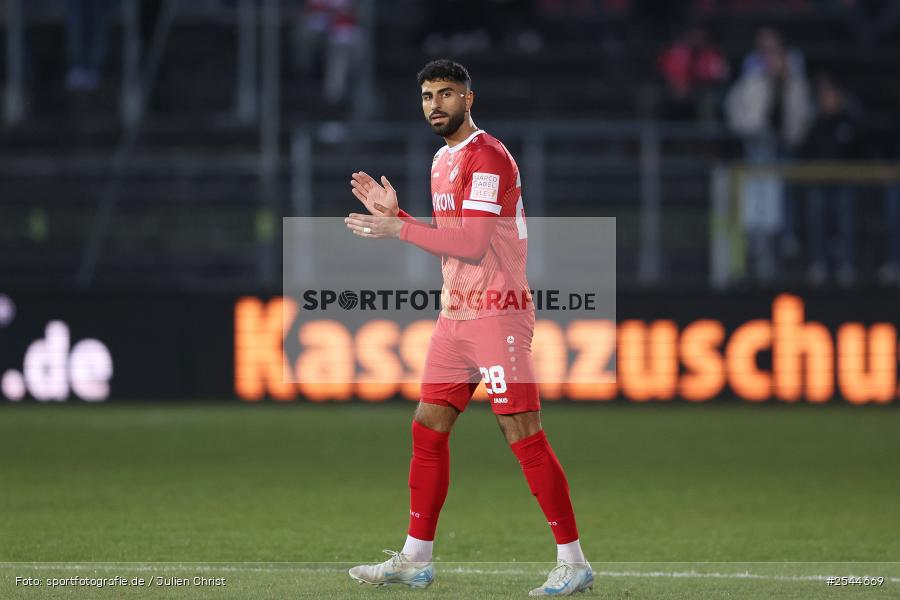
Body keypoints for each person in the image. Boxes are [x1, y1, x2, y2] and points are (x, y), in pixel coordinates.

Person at [343, 60, 593, 597]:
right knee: (427, 427)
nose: (436, 104)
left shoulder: (487, 157)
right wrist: (402, 217)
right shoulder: (441, 159)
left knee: (522, 432)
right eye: (429, 95)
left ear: (469, 99)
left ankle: (573, 561)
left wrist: (399, 231)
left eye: (447, 94)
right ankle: (415, 558)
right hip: (455, 318)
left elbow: (475, 245)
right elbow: (453, 237)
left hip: (498, 314)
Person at [725, 27, 813, 283]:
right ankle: (758, 246)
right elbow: (734, 109)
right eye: (765, 50)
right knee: (759, 198)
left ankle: (787, 239)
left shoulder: (795, 81)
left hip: (785, 146)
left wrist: (795, 134)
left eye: (774, 50)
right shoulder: (752, 79)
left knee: (786, 194)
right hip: (759, 145)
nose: (770, 56)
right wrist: (749, 130)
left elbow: (803, 114)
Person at [801, 72, 862, 286]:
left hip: (844, 181)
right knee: (817, 221)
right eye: (823, 97)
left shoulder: (848, 121)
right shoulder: (817, 123)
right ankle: (819, 264)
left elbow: (858, 152)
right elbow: (805, 150)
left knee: (845, 223)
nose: (827, 100)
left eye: (830, 95)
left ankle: (846, 265)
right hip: (819, 181)